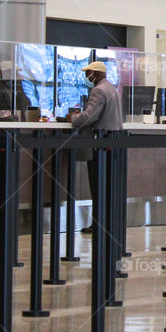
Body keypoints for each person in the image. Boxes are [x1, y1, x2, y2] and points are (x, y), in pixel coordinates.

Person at [68, 62, 123, 233]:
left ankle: (98, 223)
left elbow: (89, 117)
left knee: (97, 184)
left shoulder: (99, 90)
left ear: (96, 74)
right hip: (112, 142)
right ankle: (107, 222)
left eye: (88, 73)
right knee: (107, 184)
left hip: (100, 144)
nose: (86, 77)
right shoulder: (112, 88)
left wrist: (73, 118)